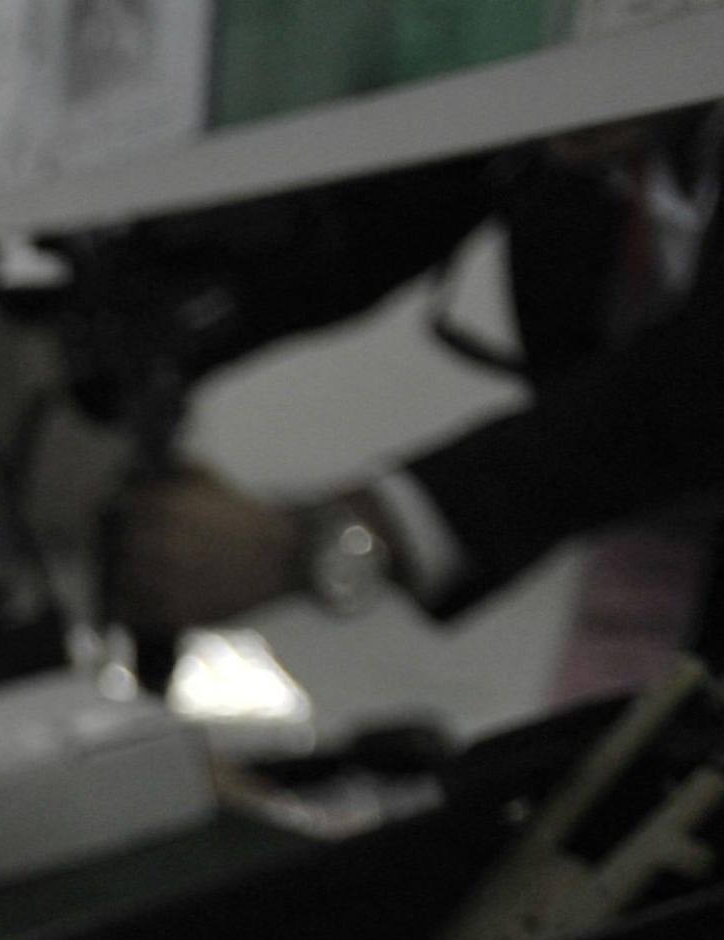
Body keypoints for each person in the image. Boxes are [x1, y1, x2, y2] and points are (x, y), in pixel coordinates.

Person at [112, 112, 724, 700]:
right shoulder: (610, 100)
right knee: (588, 787)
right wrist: (148, 306)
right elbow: (382, 213)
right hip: (644, 555)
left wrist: (328, 539)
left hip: (667, 512)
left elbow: (691, 389)